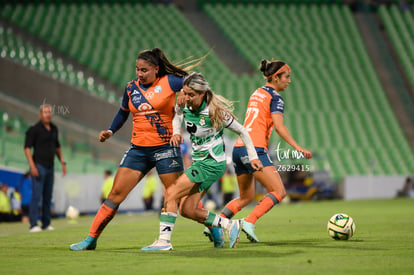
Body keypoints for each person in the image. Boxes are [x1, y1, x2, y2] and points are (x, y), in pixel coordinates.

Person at [70, 48, 189, 251]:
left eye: (144, 70)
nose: (139, 74)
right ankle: (91, 239)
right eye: (137, 69)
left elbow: (194, 83)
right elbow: (122, 112)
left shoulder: (170, 81)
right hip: (139, 150)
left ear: (156, 69)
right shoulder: (131, 88)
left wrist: (187, 98)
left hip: (166, 147)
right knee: (115, 193)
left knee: (177, 196)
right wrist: (110, 130)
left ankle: (210, 225)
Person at [141, 72, 263, 251]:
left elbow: (244, 132)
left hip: (211, 163)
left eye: (191, 95)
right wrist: (176, 132)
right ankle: (231, 226)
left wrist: (253, 157)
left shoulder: (216, 112)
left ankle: (164, 241)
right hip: (199, 163)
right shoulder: (184, 104)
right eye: (185, 93)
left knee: (172, 192)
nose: (187, 98)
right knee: (188, 210)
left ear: (203, 93)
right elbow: (177, 115)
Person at [207, 60, 312, 243]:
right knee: (279, 191)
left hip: (239, 150)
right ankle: (248, 222)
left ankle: (217, 226)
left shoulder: (257, 92)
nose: (289, 81)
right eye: (286, 77)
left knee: (245, 197)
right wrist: (297, 147)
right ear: (275, 77)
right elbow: (279, 127)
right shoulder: (276, 98)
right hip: (254, 149)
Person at [24, 104, 66, 232]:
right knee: (36, 196)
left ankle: (46, 223)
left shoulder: (54, 128)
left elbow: (57, 147)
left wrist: (63, 162)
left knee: (48, 196)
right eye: (45, 112)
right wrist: (32, 166)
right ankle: (33, 224)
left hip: (50, 167)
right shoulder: (34, 129)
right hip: (39, 166)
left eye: (49, 112)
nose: (48, 114)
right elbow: (27, 148)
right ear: (40, 114)